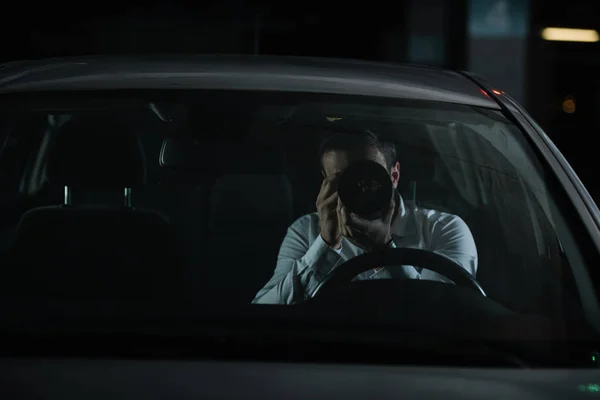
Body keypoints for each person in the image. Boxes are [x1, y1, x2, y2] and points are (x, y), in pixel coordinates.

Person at [252, 131, 478, 304]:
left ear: (394, 175)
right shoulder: (306, 231)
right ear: (326, 182)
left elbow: (441, 315)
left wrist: (385, 251)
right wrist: (324, 245)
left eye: (369, 177)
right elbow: (265, 310)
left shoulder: (443, 229)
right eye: (344, 180)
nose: (360, 188)